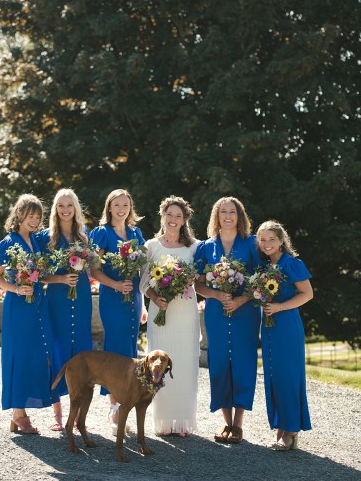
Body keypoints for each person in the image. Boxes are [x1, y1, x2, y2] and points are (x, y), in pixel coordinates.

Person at [0, 194, 59, 433]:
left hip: (38, 305)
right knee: (19, 357)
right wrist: (17, 288)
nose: (35, 220)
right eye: (31, 216)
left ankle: (18, 410)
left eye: (38, 216)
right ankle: (19, 413)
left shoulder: (37, 241)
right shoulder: (7, 243)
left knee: (38, 355)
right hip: (18, 308)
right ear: (19, 215)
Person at [194, 196, 261, 444]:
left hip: (246, 311)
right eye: (223, 211)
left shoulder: (252, 244)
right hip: (216, 311)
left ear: (239, 215)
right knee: (220, 361)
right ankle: (225, 422)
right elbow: (198, 283)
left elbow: (261, 280)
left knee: (243, 361)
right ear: (217, 216)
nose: (228, 215)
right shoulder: (206, 247)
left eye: (232, 211)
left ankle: (239, 425)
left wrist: (241, 299)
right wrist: (217, 295)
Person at [140, 196, 200, 437]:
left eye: (178, 215)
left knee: (184, 364)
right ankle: (164, 422)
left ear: (185, 219)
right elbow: (144, 281)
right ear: (162, 216)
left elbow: (200, 275)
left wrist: (191, 279)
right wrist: (155, 298)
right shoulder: (151, 246)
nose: (173, 220)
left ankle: (183, 422)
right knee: (158, 366)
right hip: (160, 312)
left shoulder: (195, 246)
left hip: (185, 313)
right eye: (169, 214)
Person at [89, 189, 147, 435]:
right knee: (115, 351)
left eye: (125, 204)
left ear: (130, 207)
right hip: (112, 298)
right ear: (109, 208)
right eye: (116, 204)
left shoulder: (136, 233)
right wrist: (114, 285)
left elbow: (141, 271)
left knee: (131, 351)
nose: (121, 209)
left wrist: (142, 302)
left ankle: (125, 405)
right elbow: (94, 270)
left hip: (132, 298)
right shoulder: (101, 233)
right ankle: (114, 410)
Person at [36, 188, 93, 431]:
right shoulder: (44, 238)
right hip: (57, 301)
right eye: (61, 206)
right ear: (55, 209)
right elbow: (37, 275)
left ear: (76, 208)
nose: (66, 210)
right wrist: (60, 280)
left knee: (81, 353)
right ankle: (58, 416)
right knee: (57, 352)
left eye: (70, 205)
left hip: (81, 299)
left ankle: (79, 417)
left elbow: (93, 266)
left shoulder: (85, 236)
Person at [257, 220, 313, 450]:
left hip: (287, 325)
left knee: (288, 376)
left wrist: (279, 308)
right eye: (262, 239)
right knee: (274, 376)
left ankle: (290, 431)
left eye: (272, 239)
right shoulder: (264, 267)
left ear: (281, 241)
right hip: (269, 326)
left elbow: (307, 294)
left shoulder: (292, 263)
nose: (267, 243)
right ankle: (281, 425)